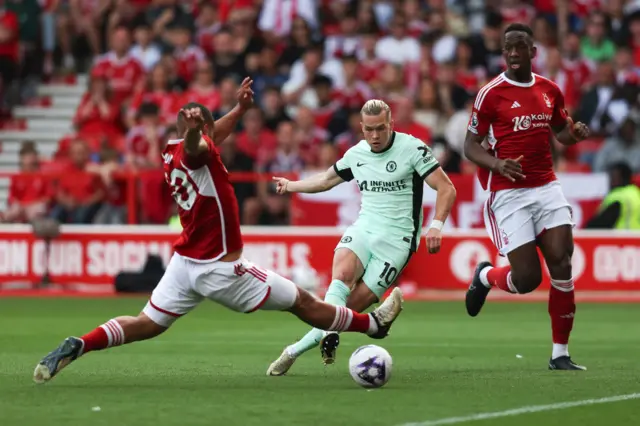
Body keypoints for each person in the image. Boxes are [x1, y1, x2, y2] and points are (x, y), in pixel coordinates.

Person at [33, 80, 404, 384]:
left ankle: (80, 343)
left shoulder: (170, 149)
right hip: (222, 268)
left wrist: (238, 111)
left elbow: (206, 138)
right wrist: (199, 133)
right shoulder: (198, 151)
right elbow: (199, 147)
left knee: (147, 322)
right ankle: (372, 325)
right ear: (201, 133)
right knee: (303, 303)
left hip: (185, 263)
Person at [267, 99, 457, 376]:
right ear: (361, 128)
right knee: (340, 276)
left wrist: (437, 225)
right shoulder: (357, 153)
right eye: (369, 130)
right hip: (364, 228)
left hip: (397, 242)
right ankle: (340, 331)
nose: (375, 136)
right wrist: (291, 185)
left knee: (346, 309)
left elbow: (446, 187)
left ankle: (295, 349)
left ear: (391, 124)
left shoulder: (413, 148)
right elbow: (326, 180)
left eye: (381, 128)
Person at [463, 23, 591, 371]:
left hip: (546, 186)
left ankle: (560, 354)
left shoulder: (550, 90)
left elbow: (562, 133)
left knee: (562, 262)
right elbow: (469, 146)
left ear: (533, 52)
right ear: (503, 53)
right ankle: (487, 276)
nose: (514, 53)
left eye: (520, 47)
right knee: (527, 280)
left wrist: (574, 133)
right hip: (508, 193)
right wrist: (497, 163)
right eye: (508, 49)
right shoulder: (491, 94)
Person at [585, 162, 640, 229]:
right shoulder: (636, 192)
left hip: (620, 237)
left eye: (613, 177)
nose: (610, 180)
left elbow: (601, 223)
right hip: (636, 236)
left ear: (622, 178)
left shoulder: (618, 197)